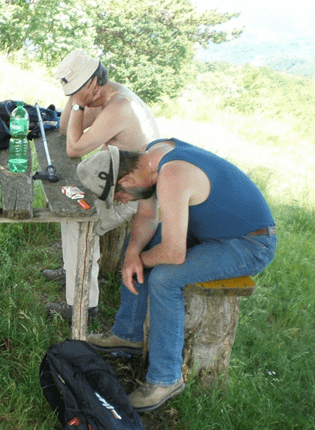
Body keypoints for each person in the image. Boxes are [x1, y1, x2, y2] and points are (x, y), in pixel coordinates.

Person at [79, 140, 277, 411]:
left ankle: (165, 379)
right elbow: (147, 217)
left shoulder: (171, 174)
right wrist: (133, 254)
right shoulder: (152, 157)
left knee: (164, 278)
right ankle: (129, 334)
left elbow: (174, 253)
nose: (123, 201)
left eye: (120, 195)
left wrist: (138, 263)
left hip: (248, 244)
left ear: (126, 179)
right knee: (138, 245)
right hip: (210, 231)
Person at [45, 49, 161, 322]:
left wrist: (78, 102)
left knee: (77, 219)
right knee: (67, 201)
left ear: (93, 83)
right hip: (114, 181)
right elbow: (65, 128)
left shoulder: (119, 106)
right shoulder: (103, 96)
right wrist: (77, 100)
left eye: (77, 89)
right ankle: (72, 271)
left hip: (131, 196)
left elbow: (74, 148)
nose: (74, 97)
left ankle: (84, 306)